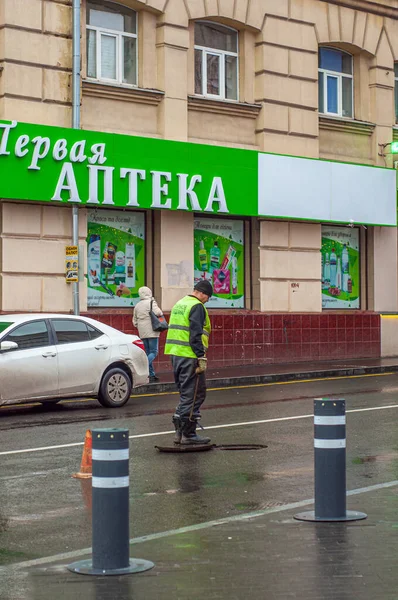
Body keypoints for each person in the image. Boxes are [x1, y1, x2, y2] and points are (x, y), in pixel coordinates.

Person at [164, 279, 213, 445]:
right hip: (190, 355)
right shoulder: (197, 306)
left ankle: (179, 432)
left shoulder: (180, 303)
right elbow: (195, 334)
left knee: (185, 394)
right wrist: (201, 356)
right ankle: (188, 434)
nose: (207, 300)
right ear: (202, 293)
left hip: (176, 355)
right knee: (195, 394)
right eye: (208, 297)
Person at [133, 286, 163, 383]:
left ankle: (151, 374)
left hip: (142, 332)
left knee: (147, 352)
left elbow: (134, 321)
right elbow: (159, 313)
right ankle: (143, 366)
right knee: (154, 352)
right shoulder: (151, 302)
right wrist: (153, 301)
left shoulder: (137, 305)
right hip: (152, 331)